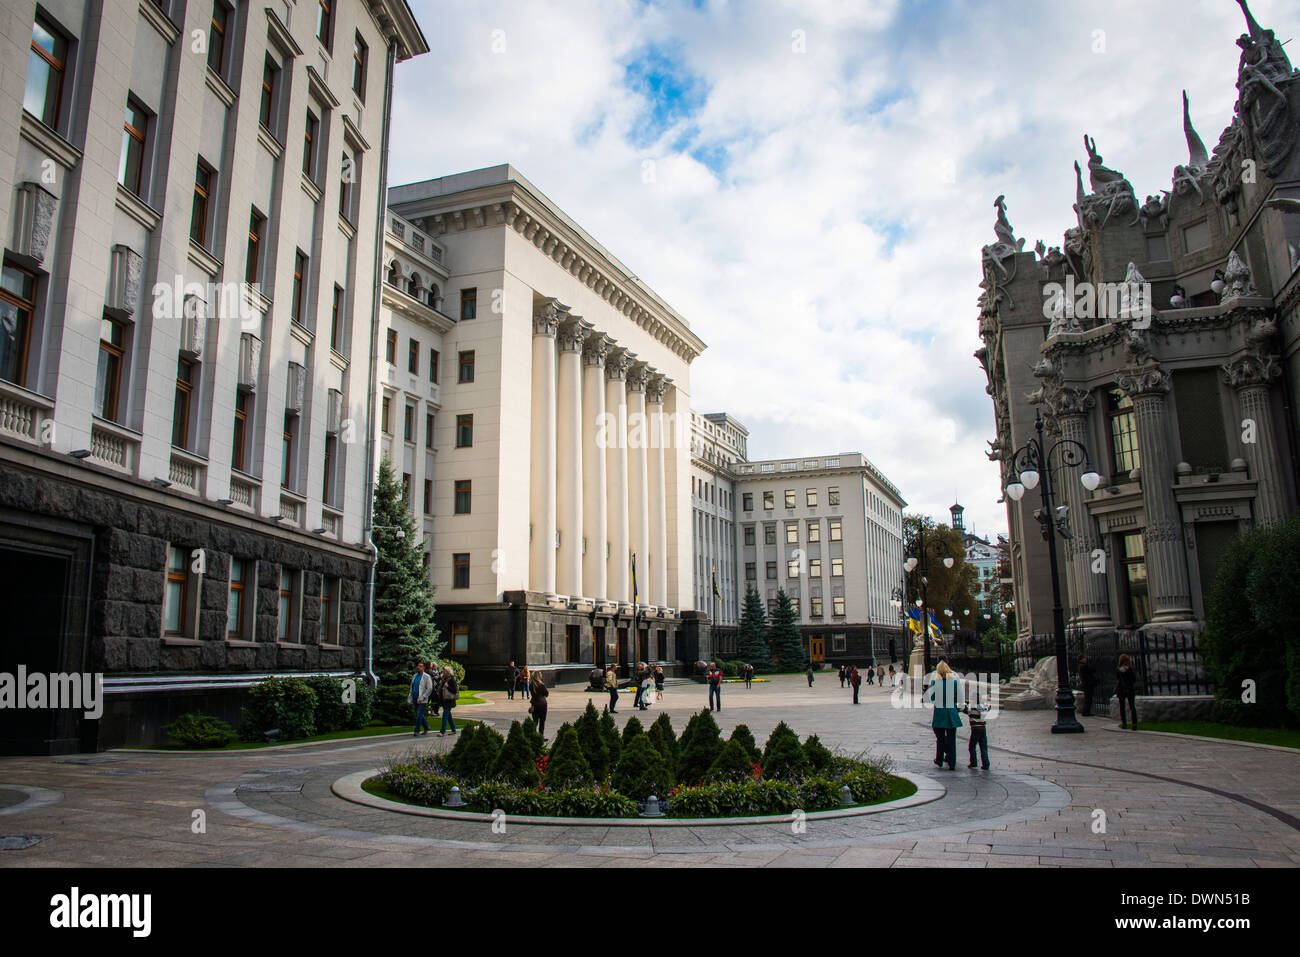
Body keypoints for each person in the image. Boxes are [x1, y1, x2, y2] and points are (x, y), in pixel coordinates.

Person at [925, 661, 965, 771]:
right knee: (952, 740)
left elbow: (931, 698)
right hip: (951, 713)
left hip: (939, 713)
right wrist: (958, 706)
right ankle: (952, 763)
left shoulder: (935, 683)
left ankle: (939, 759)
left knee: (940, 738)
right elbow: (960, 698)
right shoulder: (955, 682)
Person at [965, 695, 990, 770]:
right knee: (983, 747)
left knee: (972, 746)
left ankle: (973, 762)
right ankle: (986, 763)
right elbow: (988, 708)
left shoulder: (972, 707)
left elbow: (966, 711)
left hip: (975, 728)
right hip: (983, 728)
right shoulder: (983, 706)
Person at [1116, 654, 1138, 730]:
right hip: (1129, 689)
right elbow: (1134, 679)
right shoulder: (1130, 669)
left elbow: (1117, 678)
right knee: (1132, 707)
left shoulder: (1118, 669)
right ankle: (1134, 723)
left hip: (1121, 689)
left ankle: (1124, 723)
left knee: (1122, 707)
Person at [409, 662, 432, 736]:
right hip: (415, 697)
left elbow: (430, 688)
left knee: (419, 714)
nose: (419, 667)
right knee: (419, 714)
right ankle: (426, 726)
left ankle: (417, 730)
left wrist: (424, 696)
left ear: (424, 668)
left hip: (422, 699)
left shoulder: (426, 677)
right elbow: (412, 687)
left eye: (421, 666)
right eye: (418, 666)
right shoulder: (415, 676)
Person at [437, 665, 459, 736]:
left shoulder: (451, 679)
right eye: (443, 671)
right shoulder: (444, 679)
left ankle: (442, 731)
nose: (443, 672)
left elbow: (455, 690)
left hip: (449, 700)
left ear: (448, 672)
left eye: (444, 671)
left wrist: (448, 686)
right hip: (444, 700)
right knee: (448, 716)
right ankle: (453, 729)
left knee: (445, 716)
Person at [529, 671, 549, 737]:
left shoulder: (531, 685)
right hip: (542, 704)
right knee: (542, 722)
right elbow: (546, 694)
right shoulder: (541, 684)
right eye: (540, 674)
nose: (541, 675)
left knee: (535, 722)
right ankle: (540, 737)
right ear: (538, 676)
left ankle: (533, 736)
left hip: (534, 705)